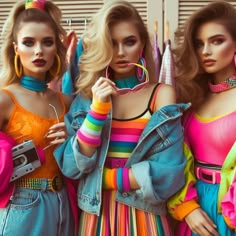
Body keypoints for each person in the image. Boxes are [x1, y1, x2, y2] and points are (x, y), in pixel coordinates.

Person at [54, 1, 190, 235]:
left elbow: (168, 174)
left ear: (143, 43)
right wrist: (97, 110)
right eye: (111, 43)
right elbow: (72, 167)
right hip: (96, 215)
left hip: (144, 215)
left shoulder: (161, 94)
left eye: (129, 41)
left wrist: (101, 177)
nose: (119, 52)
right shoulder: (87, 96)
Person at [0, 0, 75, 235]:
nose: (39, 51)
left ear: (57, 48)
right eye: (29, 43)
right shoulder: (5, 99)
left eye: (47, 42)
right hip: (23, 205)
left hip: (65, 204)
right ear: (15, 48)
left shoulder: (68, 102)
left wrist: (72, 139)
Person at [168, 1, 236, 236]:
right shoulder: (190, 98)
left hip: (230, 209)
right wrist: (187, 208)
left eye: (217, 41)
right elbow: (174, 159)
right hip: (194, 208)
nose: (205, 51)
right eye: (199, 44)